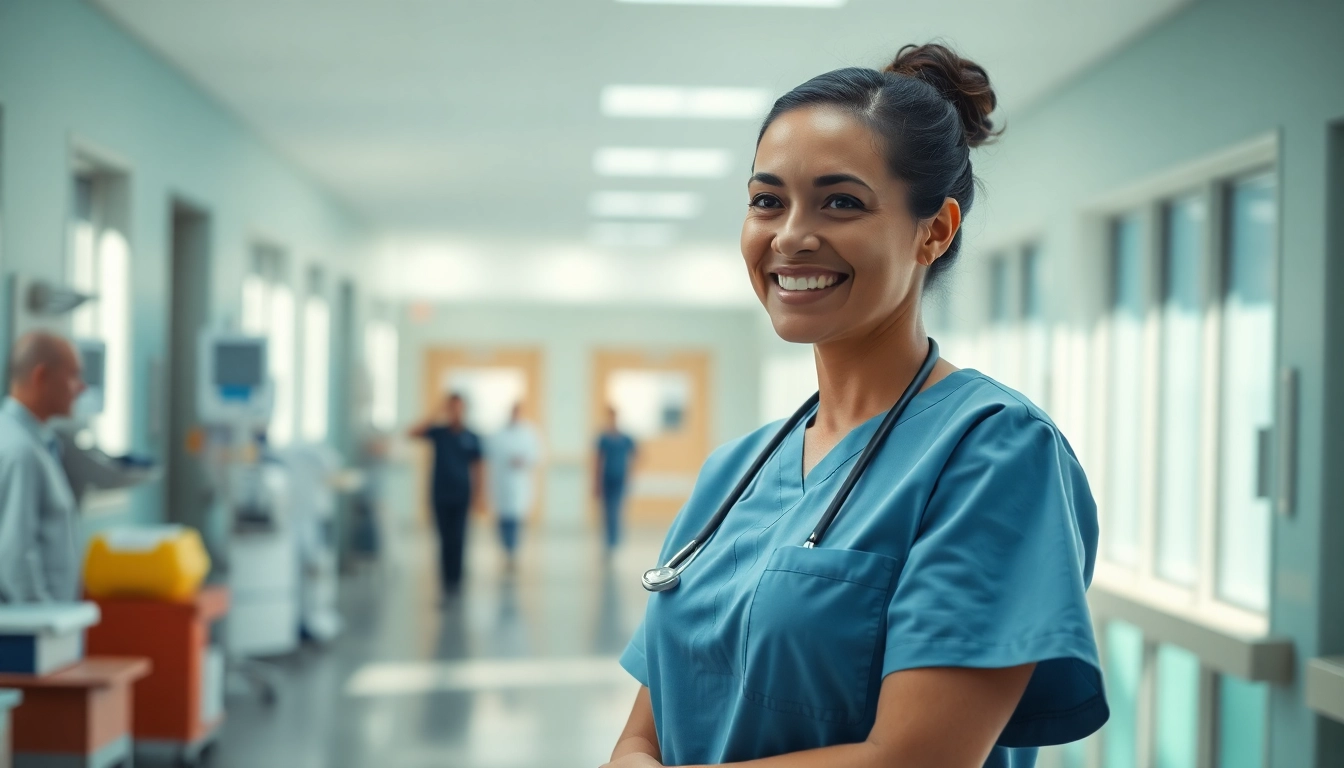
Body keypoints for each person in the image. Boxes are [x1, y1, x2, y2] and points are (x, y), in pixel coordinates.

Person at [606, 44, 1107, 768]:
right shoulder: (736, 473)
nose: (790, 235)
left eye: (841, 202)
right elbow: (642, 733)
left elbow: (915, 759)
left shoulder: (995, 453)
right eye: (766, 200)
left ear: (934, 231)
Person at [0, 331, 86, 603]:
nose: (81, 388)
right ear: (40, 377)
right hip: (37, 631)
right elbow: (16, 557)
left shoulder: (36, 443)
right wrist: (49, 628)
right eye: (73, 376)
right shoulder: (21, 451)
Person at [410, 393, 483, 598]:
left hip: (462, 494)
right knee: (443, 538)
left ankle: (456, 580)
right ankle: (445, 580)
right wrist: (435, 413)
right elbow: (412, 433)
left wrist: (479, 495)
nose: (455, 412)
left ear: (465, 409)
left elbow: (478, 467)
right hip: (440, 493)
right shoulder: (438, 432)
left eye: (459, 407)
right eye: (451, 408)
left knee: (459, 538)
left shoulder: (472, 436)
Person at [487, 403, 541, 571]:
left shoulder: (530, 433)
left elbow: (537, 454)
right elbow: (490, 453)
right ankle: (506, 550)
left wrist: (523, 461)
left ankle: (513, 552)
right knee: (503, 519)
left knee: (516, 520)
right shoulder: (498, 433)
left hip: (520, 483)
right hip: (501, 482)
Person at [594, 405, 636, 553]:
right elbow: (598, 460)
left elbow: (636, 455)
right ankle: (609, 541)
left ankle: (615, 541)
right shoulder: (603, 438)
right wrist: (596, 482)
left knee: (616, 509)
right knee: (607, 511)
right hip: (606, 479)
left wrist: (630, 473)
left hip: (620, 478)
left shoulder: (625, 438)